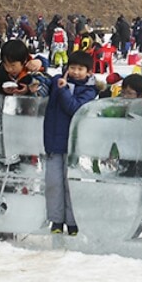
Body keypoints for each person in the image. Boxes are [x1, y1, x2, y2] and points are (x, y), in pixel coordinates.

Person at [43, 50, 98, 235]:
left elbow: (74, 108)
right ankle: (56, 221)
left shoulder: (89, 90)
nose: (75, 72)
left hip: (75, 146)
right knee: (53, 184)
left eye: (80, 69)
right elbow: (42, 77)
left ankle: (73, 222)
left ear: (89, 72)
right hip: (53, 142)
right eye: (72, 67)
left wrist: (63, 89)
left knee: (71, 184)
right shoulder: (57, 82)